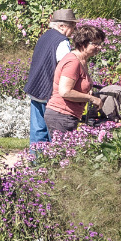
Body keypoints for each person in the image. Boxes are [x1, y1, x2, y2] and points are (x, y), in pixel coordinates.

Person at [23, 8, 77, 144]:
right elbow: (66, 67)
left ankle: (35, 163)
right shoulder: (62, 41)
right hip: (49, 91)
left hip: (35, 87)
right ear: (62, 26)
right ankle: (51, 163)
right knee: (54, 133)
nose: (74, 30)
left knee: (37, 131)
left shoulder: (45, 36)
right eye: (72, 26)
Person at [46, 24, 104, 135]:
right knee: (62, 151)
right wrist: (91, 98)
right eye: (95, 44)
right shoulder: (73, 62)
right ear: (82, 44)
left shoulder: (82, 61)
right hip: (61, 115)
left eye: (100, 44)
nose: (99, 47)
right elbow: (65, 91)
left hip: (67, 115)